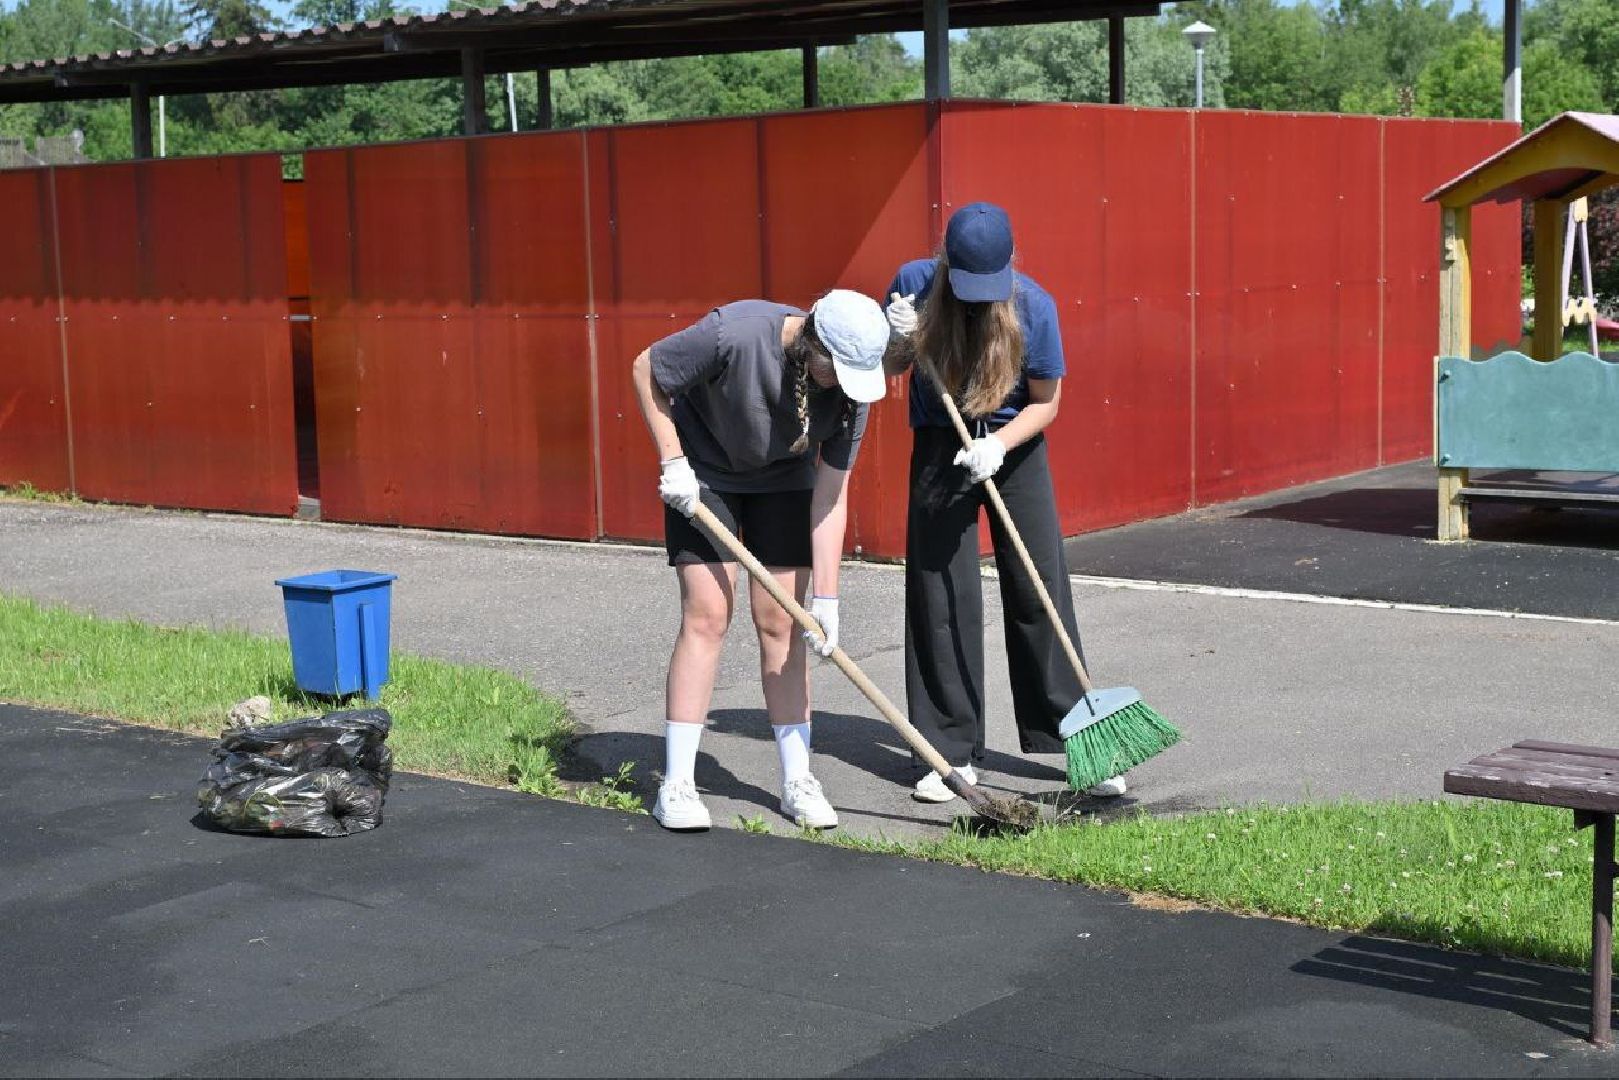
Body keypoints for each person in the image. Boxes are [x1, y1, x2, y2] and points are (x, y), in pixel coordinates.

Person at [882, 202, 1128, 803]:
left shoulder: (1033, 307)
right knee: (942, 594)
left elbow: (1047, 402)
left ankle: (1077, 737)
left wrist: (999, 445)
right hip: (942, 441)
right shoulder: (912, 286)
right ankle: (951, 752)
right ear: (947, 264)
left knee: (1038, 585)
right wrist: (897, 340)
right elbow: (889, 370)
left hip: (1014, 446)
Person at [631, 289, 890, 831]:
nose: (839, 384)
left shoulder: (849, 395)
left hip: (784, 482)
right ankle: (677, 782)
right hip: (704, 474)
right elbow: (646, 367)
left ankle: (798, 778)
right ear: (813, 341)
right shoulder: (735, 333)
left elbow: (830, 496)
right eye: (833, 370)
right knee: (707, 615)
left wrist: (827, 597)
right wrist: (673, 460)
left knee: (783, 624)